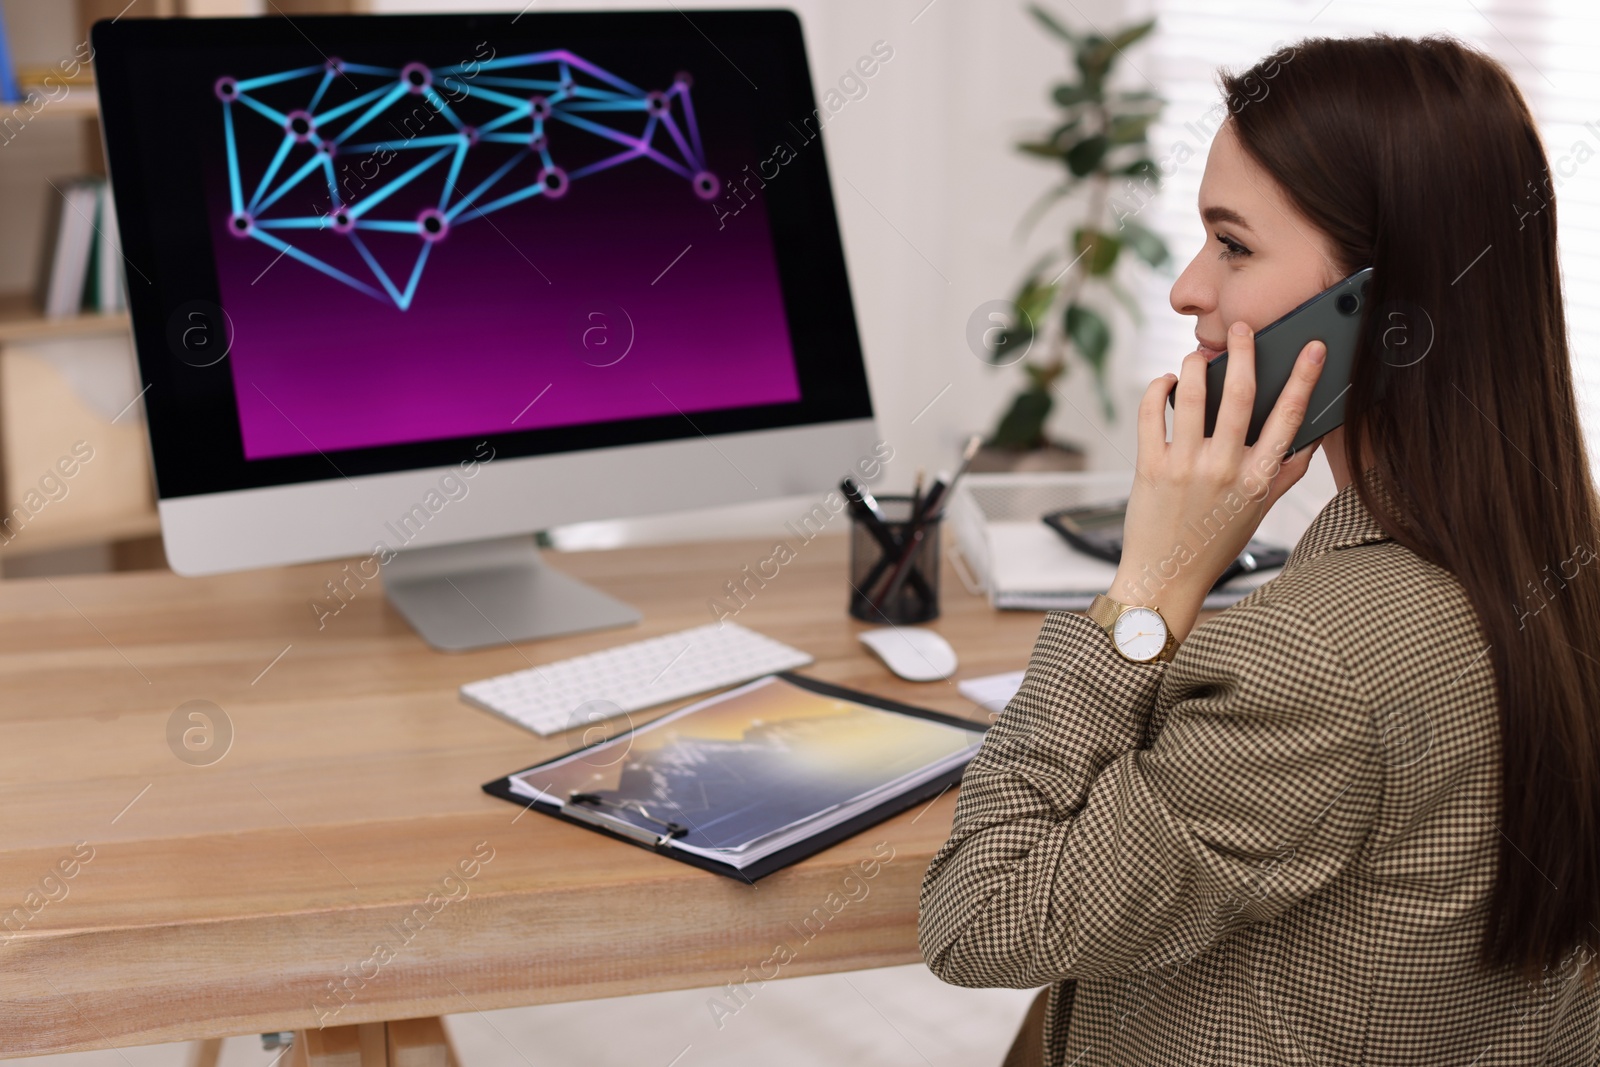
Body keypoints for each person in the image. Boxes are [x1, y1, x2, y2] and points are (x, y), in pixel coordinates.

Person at [918, 33, 1600, 1066]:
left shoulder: (1316, 660)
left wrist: (1147, 588)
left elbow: (982, 915)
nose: (1187, 289)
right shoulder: (1554, 577)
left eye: (1231, 245)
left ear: (1377, 301)